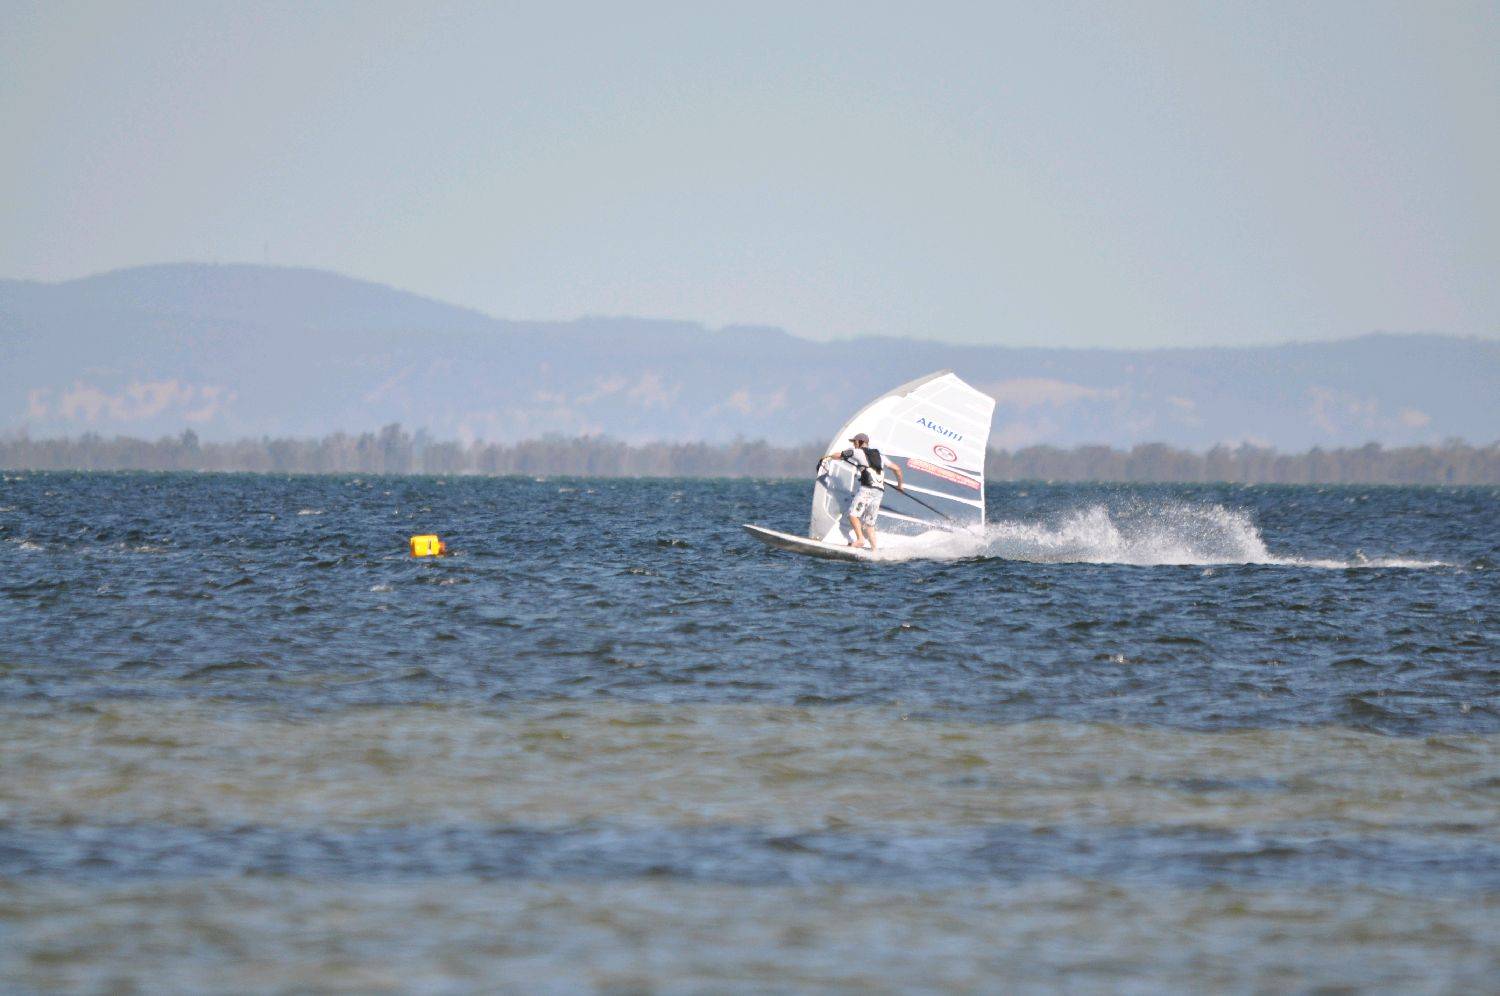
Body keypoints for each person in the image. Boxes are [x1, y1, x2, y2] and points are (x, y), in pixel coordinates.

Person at [819, 432, 904, 550]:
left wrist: (827, 457)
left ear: (860, 442)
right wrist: (900, 486)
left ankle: (860, 540)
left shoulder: (858, 452)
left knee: (853, 515)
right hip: (879, 492)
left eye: (855, 442)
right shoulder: (880, 456)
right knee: (869, 524)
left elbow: (840, 455)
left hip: (867, 490)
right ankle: (875, 551)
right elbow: (897, 469)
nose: (854, 445)